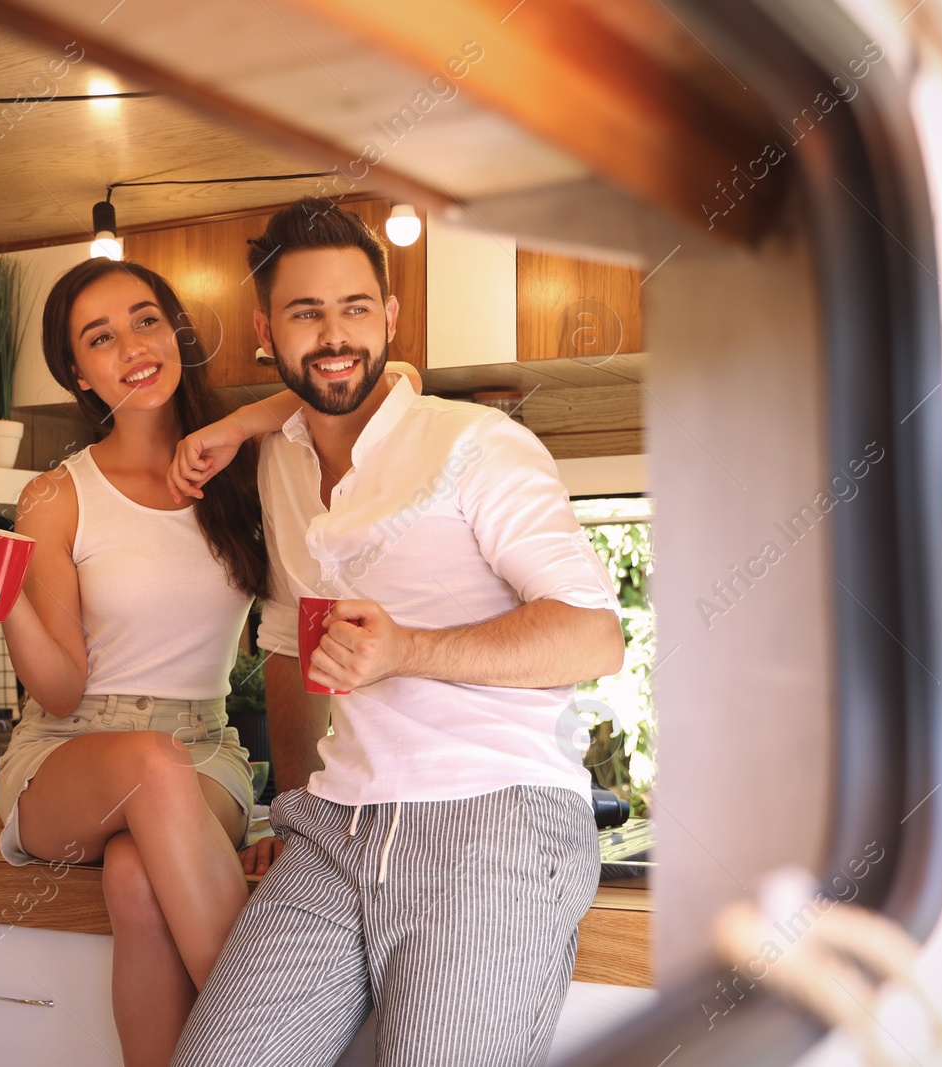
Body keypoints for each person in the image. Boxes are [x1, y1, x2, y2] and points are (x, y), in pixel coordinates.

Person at [166, 199, 628, 1067]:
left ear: (390, 317)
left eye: (354, 307)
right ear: (267, 330)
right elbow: (289, 650)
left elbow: (593, 637)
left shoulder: (479, 443)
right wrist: (282, 805)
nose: (334, 334)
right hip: (333, 834)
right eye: (306, 312)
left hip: (494, 821)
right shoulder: (281, 462)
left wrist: (408, 648)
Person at [0, 257, 420, 1066]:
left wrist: (235, 428)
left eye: (146, 319)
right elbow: (58, 687)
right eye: (101, 337)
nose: (132, 345)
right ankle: (283, 1045)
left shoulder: (248, 468)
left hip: (207, 754)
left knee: (136, 879)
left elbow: (392, 378)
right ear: (80, 375)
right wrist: (4, 593)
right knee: (149, 766)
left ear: (177, 334)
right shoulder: (58, 495)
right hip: (66, 757)